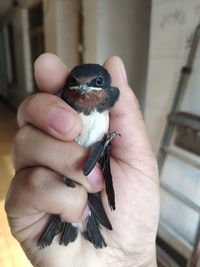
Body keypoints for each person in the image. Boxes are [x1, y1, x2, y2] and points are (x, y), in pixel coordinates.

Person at [5, 54, 159, 267]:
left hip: (94, 173)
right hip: (75, 176)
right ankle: (73, 221)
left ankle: (78, 222)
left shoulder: (111, 103)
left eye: (95, 83)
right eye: (76, 83)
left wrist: (131, 260)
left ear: (106, 86)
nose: (84, 89)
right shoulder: (65, 102)